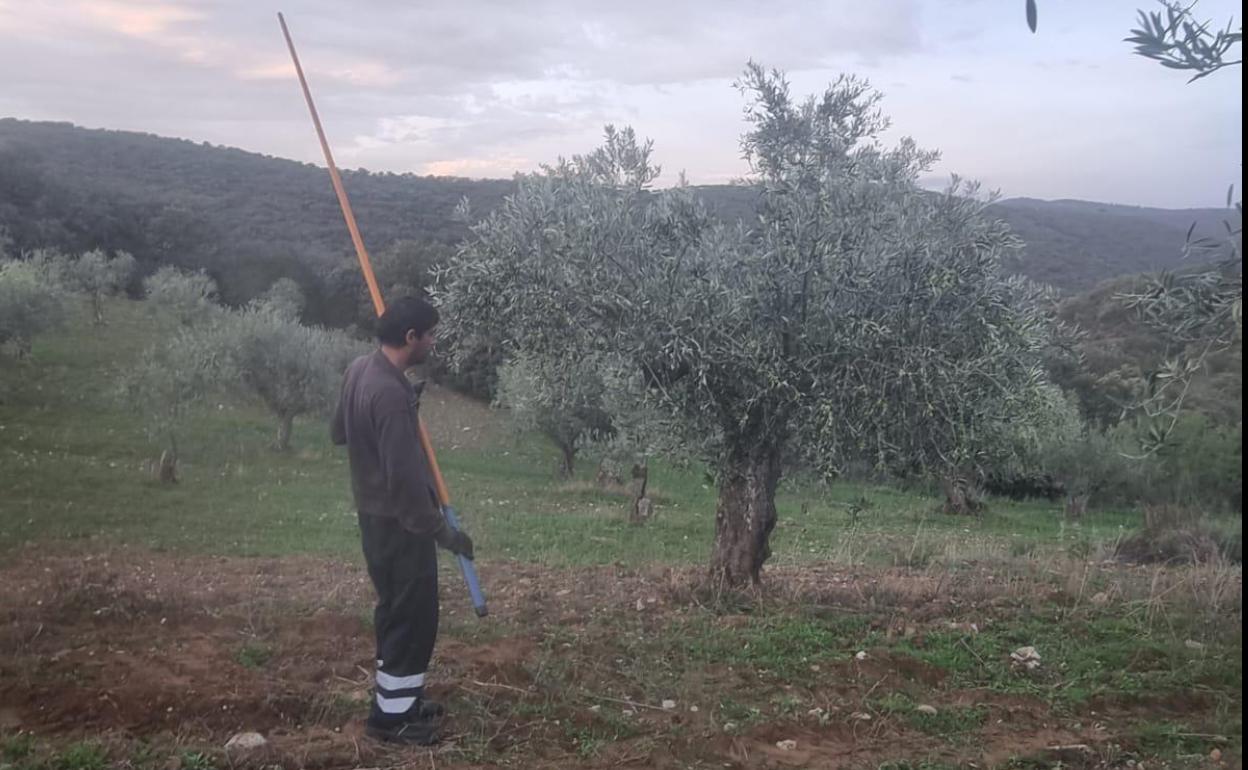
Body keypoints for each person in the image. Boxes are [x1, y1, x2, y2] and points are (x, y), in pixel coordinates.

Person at [331, 296, 475, 745]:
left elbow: (339, 433)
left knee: (395, 611)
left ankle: (400, 702)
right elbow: (409, 489)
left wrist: (399, 409)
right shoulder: (390, 393)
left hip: (375, 521)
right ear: (410, 337)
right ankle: (391, 722)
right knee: (412, 618)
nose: (433, 341)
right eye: (429, 333)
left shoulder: (361, 369)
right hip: (401, 526)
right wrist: (446, 535)